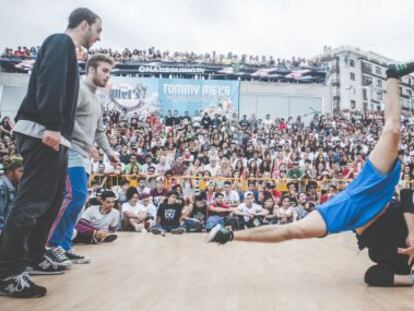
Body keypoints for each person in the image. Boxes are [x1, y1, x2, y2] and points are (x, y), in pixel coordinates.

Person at [207, 62, 412, 274]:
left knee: (291, 231)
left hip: (351, 215)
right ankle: (392, 75)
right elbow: (408, 195)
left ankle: (229, 235)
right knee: (393, 130)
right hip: (370, 190)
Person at [0, 7, 102, 298]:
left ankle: (33, 257)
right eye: (98, 29)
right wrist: (53, 126)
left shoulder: (68, 50)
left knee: (51, 200)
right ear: (85, 24)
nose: (99, 36)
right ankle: (7, 271)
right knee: (32, 203)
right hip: (43, 132)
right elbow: (51, 84)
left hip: (55, 135)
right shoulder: (60, 43)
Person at [46, 53, 118, 267]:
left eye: (110, 72)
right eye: (104, 71)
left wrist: (110, 152)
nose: (108, 76)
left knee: (78, 201)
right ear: (91, 69)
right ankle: (50, 245)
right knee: (75, 195)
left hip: (84, 155)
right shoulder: (77, 90)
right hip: (70, 152)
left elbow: (99, 131)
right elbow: (66, 120)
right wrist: (87, 144)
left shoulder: (96, 98)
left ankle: (65, 247)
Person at [0, 156, 23, 233]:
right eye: (21, 171)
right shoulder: (1, 187)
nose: (24, 175)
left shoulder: (16, 186)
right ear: (9, 172)